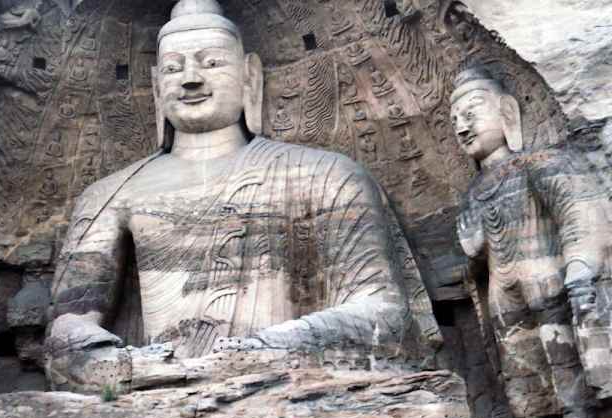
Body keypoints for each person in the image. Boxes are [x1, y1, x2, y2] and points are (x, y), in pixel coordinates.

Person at [46, 0, 439, 392]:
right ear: (156, 86)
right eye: (173, 68)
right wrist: (122, 364)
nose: (190, 80)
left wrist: (264, 348)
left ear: (250, 74)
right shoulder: (112, 194)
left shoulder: (327, 175)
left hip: (287, 384)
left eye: (211, 63)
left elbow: (385, 315)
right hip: (157, 386)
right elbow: (67, 327)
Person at [453, 65, 611, 418]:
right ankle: (532, 414)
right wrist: (472, 247)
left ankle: (578, 413)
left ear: (507, 111)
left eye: (471, 113)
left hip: (545, 274)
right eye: (455, 120)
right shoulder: (474, 192)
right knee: (516, 353)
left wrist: (579, 264)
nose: (462, 126)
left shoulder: (540, 163)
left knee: (558, 344)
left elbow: (577, 213)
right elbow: (474, 256)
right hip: (503, 289)